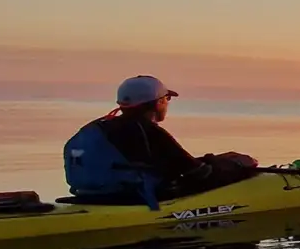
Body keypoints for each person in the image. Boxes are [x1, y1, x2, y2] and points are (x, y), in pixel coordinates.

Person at [63, 76, 260, 206]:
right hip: (132, 199)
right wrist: (237, 165)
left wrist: (211, 159)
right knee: (238, 165)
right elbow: (200, 174)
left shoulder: (103, 127)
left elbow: (163, 163)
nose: (167, 104)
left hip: (90, 196)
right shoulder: (149, 132)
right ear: (158, 103)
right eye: (167, 99)